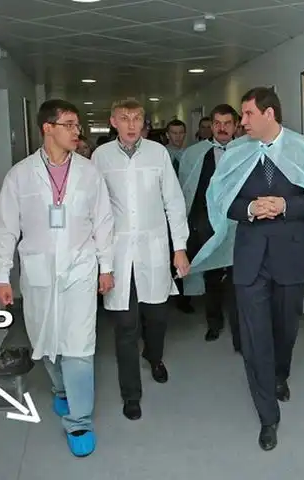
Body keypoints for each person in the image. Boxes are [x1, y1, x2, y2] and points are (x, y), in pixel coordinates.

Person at [188, 87, 304, 451]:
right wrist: (249, 210)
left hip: (292, 255)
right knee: (254, 336)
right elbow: (220, 201)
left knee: (285, 329)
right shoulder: (235, 154)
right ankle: (267, 416)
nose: (241, 122)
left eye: (247, 114)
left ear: (269, 114)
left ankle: (280, 374)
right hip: (250, 258)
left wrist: (285, 206)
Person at [0, 99, 115, 457]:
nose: (77, 132)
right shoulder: (19, 175)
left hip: (80, 268)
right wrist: (2, 276)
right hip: (39, 271)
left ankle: (79, 421)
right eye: (69, 125)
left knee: (79, 345)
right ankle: (61, 389)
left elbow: (103, 221)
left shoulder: (89, 173)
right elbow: (5, 228)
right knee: (45, 340)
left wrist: (106, 267)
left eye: (78, 126)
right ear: (48, 128)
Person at [92, 98, 190, 421]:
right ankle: (131, 394)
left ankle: (155, 356)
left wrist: (179, 247)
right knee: (125, 326)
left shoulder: (158, 153)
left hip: (153, 249)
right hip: (118, 252)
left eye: (137, 118)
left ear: (144, 122)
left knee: (157, 316)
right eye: (124, 118)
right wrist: (99, 261)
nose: (131, 124)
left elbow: (173, 201)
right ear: (113, 122)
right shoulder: (101, 157)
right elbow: (95, 210)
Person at [178, 103, 241, 349]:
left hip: (238, 225)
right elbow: (186, 191)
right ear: (211, 126)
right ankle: (214, 324)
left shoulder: (246, 151)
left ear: (236, 126)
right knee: (212, 276)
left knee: (239, 279)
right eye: (217, 124)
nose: (222, 128)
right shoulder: (195, 155)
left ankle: (240, 333)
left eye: (227, 124)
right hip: (208, 227)